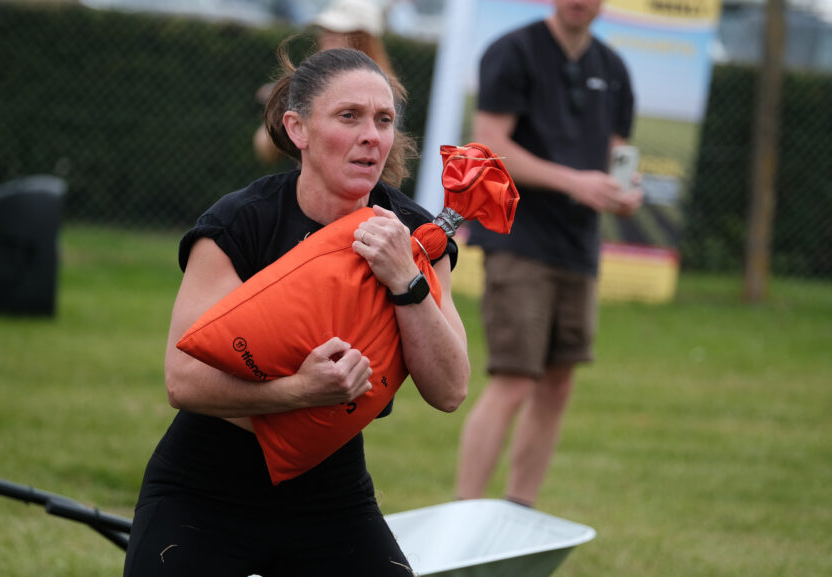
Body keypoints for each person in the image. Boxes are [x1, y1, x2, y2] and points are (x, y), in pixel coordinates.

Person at [123, 46, 469, 577]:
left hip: (330, 491)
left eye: (383, 121)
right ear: (298, 129)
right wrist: (300, 391)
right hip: (206, 487)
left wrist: (406, 278)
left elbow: (449, 390)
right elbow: (183, 381)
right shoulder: (240, 223)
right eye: (348, 116)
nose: (371, 136)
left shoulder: (414, 234)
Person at [454, 0, 643, 508]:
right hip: (519, 238)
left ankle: (520, 509)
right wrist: (573, 182)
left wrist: (624, 191)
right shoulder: (513, 51)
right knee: (514, 379)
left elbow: (617, 154)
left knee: (558, 382)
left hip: (578, 246)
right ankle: (465, 511)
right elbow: (490, 144)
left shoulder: (614, 69)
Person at [253, 0, 394, 165]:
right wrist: (281, 105)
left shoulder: (388, 94)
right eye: (325, 33)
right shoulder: (310, 82)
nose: (326, 41)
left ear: (363, 40)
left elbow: (386, 161)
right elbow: (265, 148)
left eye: (336, 35)